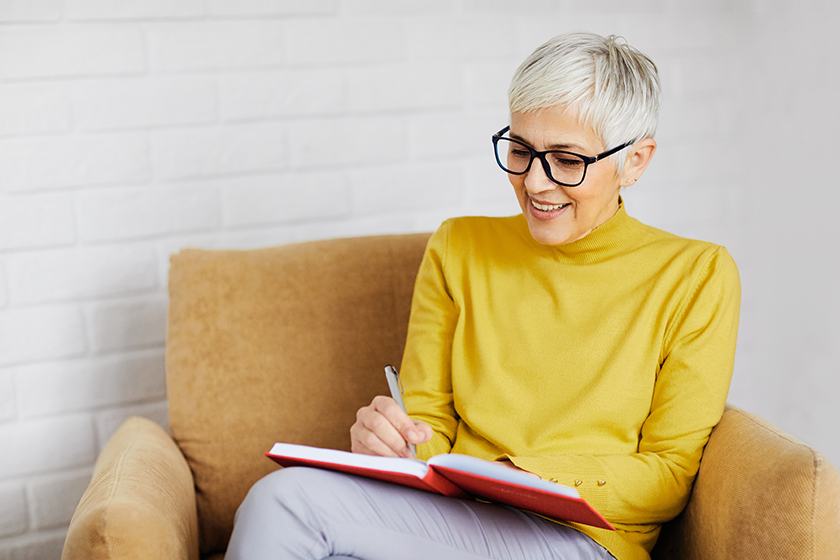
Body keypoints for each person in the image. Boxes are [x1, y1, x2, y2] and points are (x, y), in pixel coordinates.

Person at [226, 31, 740, 560]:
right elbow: (430, 424)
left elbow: (669, 475)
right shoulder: (459, 246)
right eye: (520, 150)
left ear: (634, 161)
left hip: (582, 540)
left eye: (566, 160)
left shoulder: (696, 273)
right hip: (452, 519)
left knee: (290, 508)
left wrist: (526, 476)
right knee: (281, 500)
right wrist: (395, 445)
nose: (535, 183)